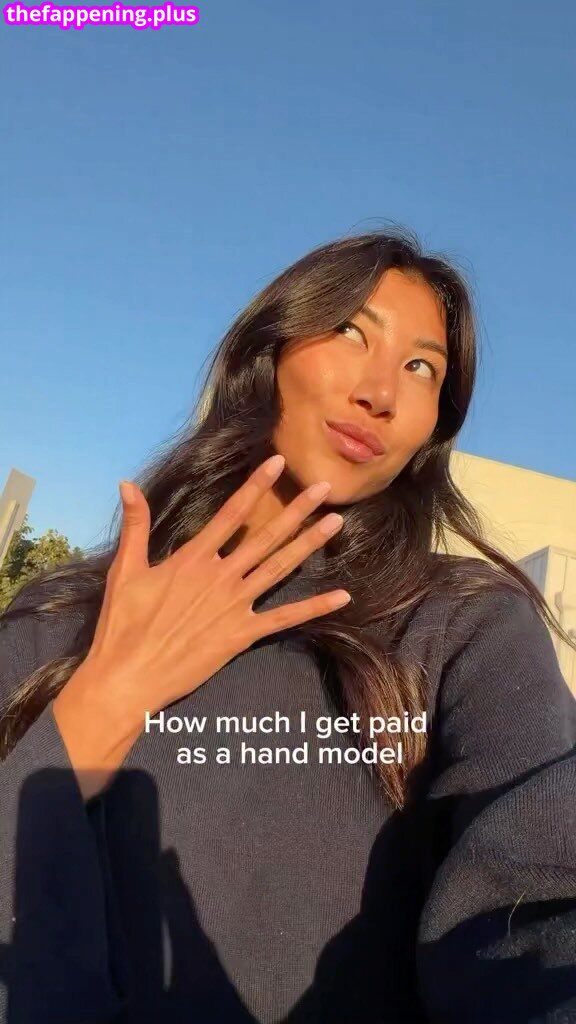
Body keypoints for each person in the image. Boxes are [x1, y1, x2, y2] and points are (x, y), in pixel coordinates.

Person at [0, 229, 575, 1024]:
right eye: (351, 332)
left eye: (422, 368)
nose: (382, 393)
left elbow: (539, 894)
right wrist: (111, 693)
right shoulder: (64, 614)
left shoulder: (463, 626)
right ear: (267, 351)